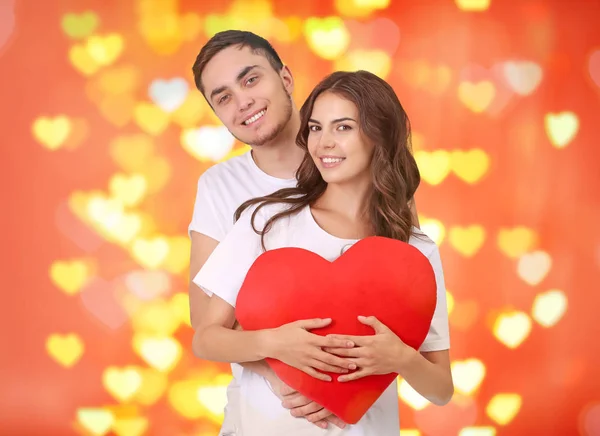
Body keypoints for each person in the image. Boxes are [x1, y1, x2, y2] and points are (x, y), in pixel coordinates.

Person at [191, 70, 453, 436]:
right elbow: (205, 338)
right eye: (315, 128)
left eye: (342, 128)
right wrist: (276, 344)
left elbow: (441, 389)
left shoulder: (415, 250)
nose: (323, 143)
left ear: (379, 136)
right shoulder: (265, 221)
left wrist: (400, 358)